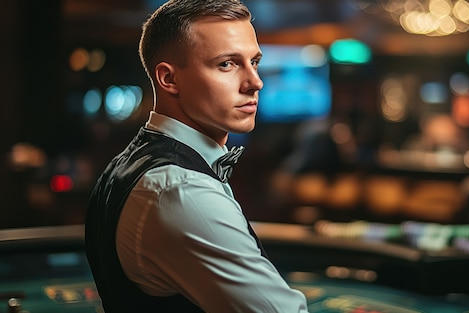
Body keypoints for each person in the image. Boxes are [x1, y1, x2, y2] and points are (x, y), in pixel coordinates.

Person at [84, 0, 310, 312]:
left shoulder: (132, 163)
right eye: (227, 64)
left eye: (254, 62)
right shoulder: (179, 189)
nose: (255, 83)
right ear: (169, 80)